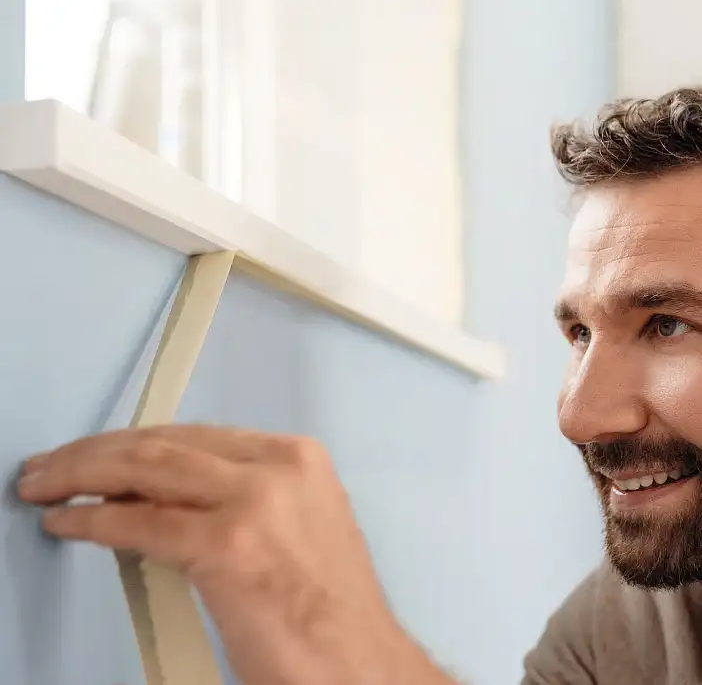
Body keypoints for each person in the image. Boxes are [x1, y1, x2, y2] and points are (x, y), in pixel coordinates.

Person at [16, 86, 702, 685]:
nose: (580, 415)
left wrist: (349, 646)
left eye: (668, 325)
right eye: (579, 333)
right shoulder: (621, 631)